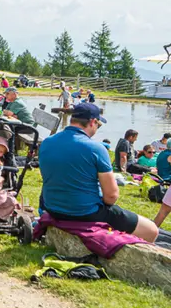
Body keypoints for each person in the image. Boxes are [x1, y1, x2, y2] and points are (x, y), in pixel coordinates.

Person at [40, 103, 158, 241]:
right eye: (98, 125)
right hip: (84, 212)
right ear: (92, 122)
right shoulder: (96, 148)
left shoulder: (47, 142)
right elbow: (111, 196)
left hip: (52, 207)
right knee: (151, 230)